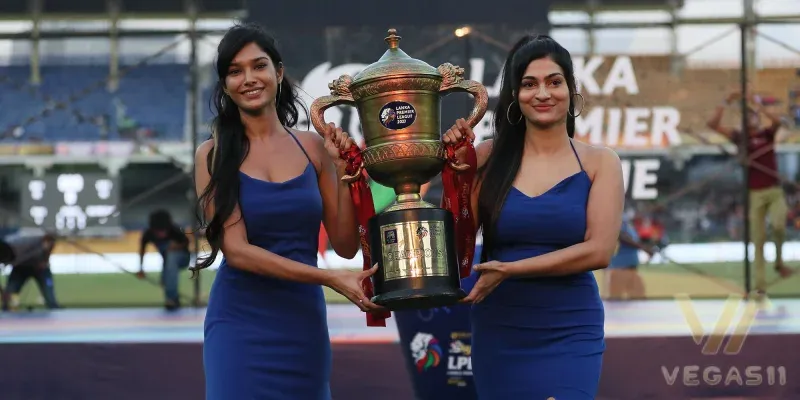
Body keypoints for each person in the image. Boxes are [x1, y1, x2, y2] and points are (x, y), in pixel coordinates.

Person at [191, 23, 383, 400]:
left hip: (302, 324)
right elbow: (237, 251)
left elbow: (345, 244)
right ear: (225, 85)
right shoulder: (211, 155)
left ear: (278, 73)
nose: (248, 78)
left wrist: (344, 174)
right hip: (239, 324)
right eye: (235, 70)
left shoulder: (313, 147)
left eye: (258, 66)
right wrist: (328, 279)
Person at [443, 34, 624, 399]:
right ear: (514, 95)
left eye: (554, 82)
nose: (543, 93)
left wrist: (512, 269)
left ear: (571, 90)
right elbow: (456, 242)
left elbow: (599, 251)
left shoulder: (600, 162)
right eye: (529, 84)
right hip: (501, 328)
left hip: (570, 328)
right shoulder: (487, 157)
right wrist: (457, 178)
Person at [707, 90, 794, 299]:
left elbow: (779, 122)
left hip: (773, 190)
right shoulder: (740, 139)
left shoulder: (767, 134)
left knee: (779, 225)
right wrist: (724, 102)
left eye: (753, 115)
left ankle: (779, 262)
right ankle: (760, 286)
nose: (751, 119)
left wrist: (758, 104)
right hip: (754, 194)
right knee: (758, 240)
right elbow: (712, 125)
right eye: (747, 117)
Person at [137, 209, 190, 310]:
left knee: (171, 257)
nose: (161, 234)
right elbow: (142, 250)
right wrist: (141, 268)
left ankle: (171, 298)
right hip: (167, 261)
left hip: (182, 258)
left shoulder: (175, 230)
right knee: (168, 268)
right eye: (158, 231)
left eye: (163, 231)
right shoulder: (148, 233)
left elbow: (186, 242)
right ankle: (172, 297)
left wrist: (176, 246)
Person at [0, 231, 61, 311]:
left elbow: (49, 242)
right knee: (9, 296)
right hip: (20, 268)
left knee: (50, 298)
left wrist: (44, 260)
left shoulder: (22, 243)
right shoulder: (12, 247)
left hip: (40, 268)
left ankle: (54, 307)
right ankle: (7, 309)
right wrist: (3, 294)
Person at [606, 214, 652, 300]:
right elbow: (621, 236)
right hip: (620, 267)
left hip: (630, 268)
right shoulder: (618, 217)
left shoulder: (628, 223)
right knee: (616, 299)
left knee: (637, 298)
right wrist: (643, 248)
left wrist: (646, 247)